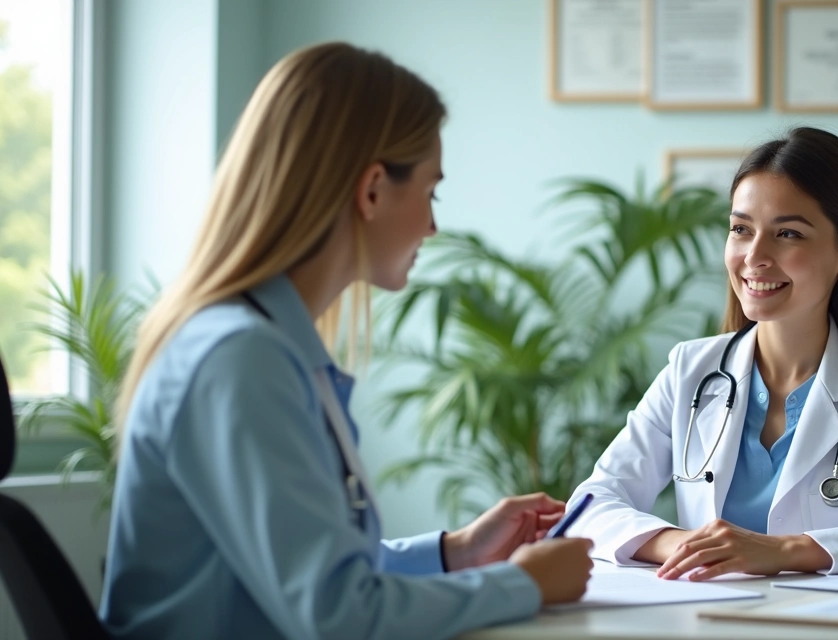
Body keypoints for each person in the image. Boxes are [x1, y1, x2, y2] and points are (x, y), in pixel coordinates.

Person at [98, 42, 593, 639]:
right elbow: (339, 617)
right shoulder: (239, 360)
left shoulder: (262, 345)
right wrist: (526, 584)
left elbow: (309, 572)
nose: (434, 226)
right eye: (431, 191)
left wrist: (456, 551)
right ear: (374, 189)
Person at [564, 127, 838, 581]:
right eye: (740, 229)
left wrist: (785, 551)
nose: (754, 256)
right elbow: (588, 509)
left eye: (787, 233)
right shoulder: (690, 371)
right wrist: (691, 546)